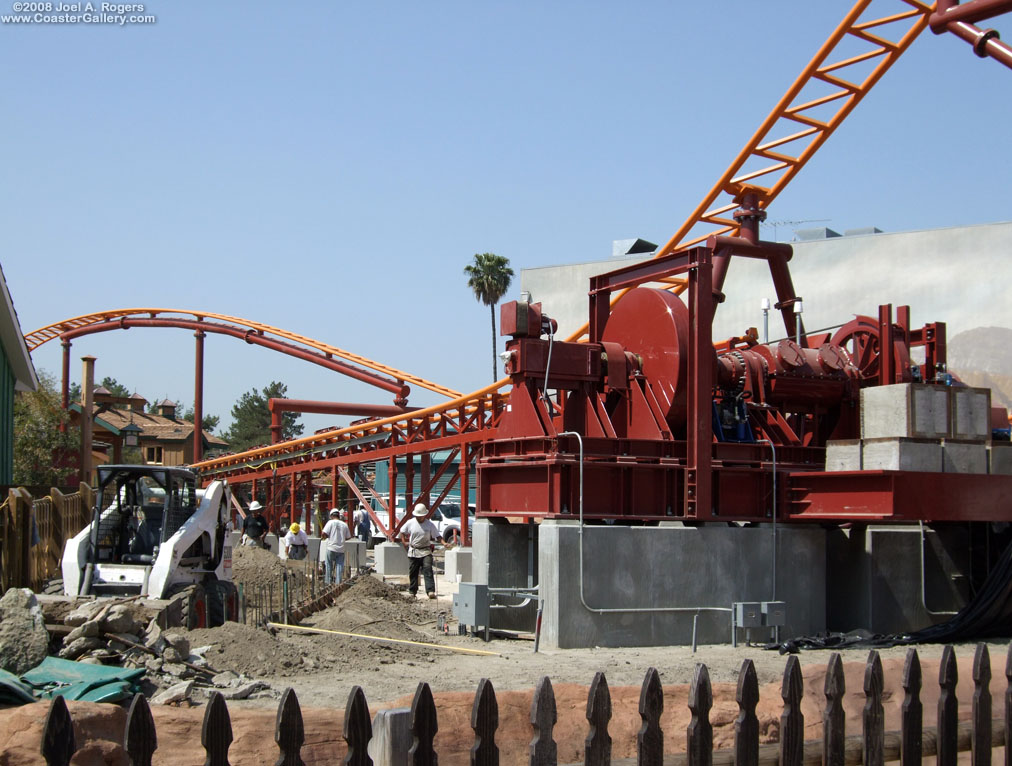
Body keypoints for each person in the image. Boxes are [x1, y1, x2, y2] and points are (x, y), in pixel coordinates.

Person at [399, 502, 439, 599]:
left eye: (421, 516)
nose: (419, 518)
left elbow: (437, 535)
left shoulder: (429, 525)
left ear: (424, 515)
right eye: (418, 516)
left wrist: (445, 543)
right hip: (414, 551)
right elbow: (402, 531)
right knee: (413, 572)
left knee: (428, 570)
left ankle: (430, 591)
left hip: (426, 551)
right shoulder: (410, 522)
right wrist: (404, 542)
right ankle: (412, 591)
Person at [321, 508, 351, 584]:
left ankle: (328, 582)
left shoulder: (330, 522)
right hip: (341, 549)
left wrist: (327, 537)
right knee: (339, 567)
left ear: (331, 516)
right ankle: (338, 583)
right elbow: (348, 537)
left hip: (331, 548)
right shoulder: (344, 525)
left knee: (328, 566)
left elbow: (323, 533)